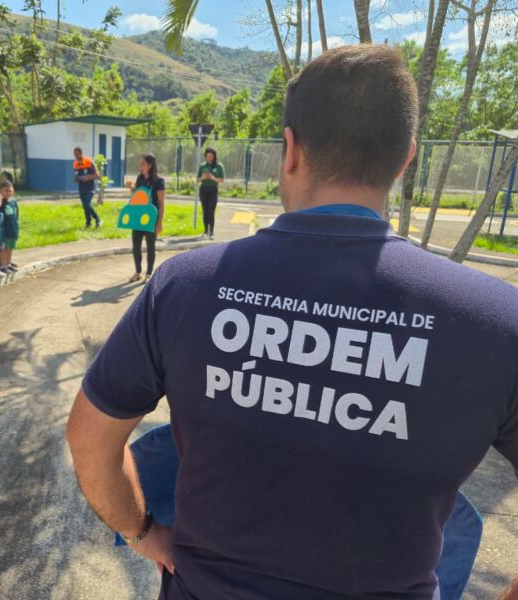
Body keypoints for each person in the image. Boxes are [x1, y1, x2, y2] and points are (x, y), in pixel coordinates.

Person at [66, 44, 518, 600]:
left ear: (290, 149)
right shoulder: (498, 322)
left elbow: (90, 439)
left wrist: (142, 532)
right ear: (405, 160)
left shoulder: (185, 286)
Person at [128, 154, 165, 284]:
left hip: (152, 218)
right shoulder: (140, 178)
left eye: (143, 164)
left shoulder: (159, 181)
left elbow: (161, 204)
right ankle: (138, 272)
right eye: (140, 164)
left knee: (150, 246)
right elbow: (137, 197)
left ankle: (149, 274)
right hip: (139, 217)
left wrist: (159, 223)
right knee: (136, 246)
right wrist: (132, 189)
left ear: (150, 165)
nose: (141, 166)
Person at [196, 147, 224, 239]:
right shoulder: (202, 166)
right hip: (204, 189)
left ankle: (211, 231)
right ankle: (205, 231)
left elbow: (221, 179)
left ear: (214, 156)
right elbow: (197, 179)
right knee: (205, 211)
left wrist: (212, 177)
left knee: (211, 210)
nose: (209, 158)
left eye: (211, 156)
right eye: (207, 156)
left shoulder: (218, 166)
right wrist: (203, 177)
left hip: (213, 189)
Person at [73, 147, 102, 229]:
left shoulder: (89, 161)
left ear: (81, 153)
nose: (75, 156)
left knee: (87, 205)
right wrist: (76, 178)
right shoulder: (75, 164)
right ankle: (88, 223)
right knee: (85, 206)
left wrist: (87, 177)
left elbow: (97, 175)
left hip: (90, 188)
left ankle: (98, 219)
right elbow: (76, 175)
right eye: (74, 154)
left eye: (77, 154)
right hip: (81, 188)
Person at [0, 181, 19, 273]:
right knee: (4, 248)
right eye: (6, 191)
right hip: (5, 230)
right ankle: (2, 265)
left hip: (13, 229)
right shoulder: (0, 203)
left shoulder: (13, 202)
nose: (8, 193)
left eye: (10, 191)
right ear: (1, 191)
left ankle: (8, 263)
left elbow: (16, 215)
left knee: (10, 247)